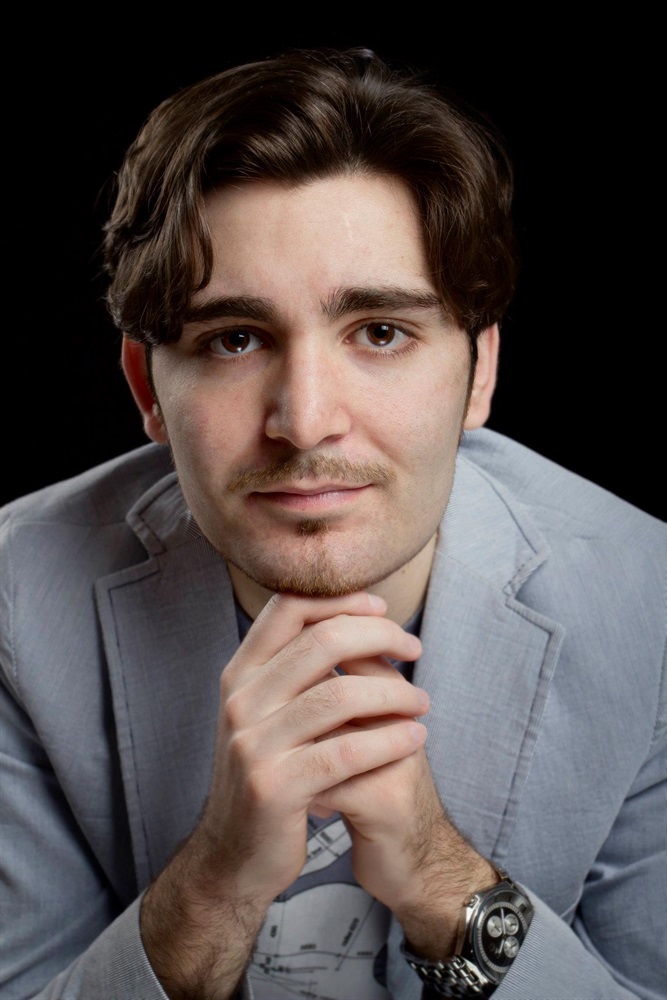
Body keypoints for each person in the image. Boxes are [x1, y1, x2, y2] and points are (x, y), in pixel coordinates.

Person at [1, 47, 664, 1000]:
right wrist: (216, 882)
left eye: (380, 333)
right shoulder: (16, 599)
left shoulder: (650, 604)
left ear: (478, 372)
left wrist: (440, 878)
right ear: (148, 388)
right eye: (234, 339)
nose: (305, 420)